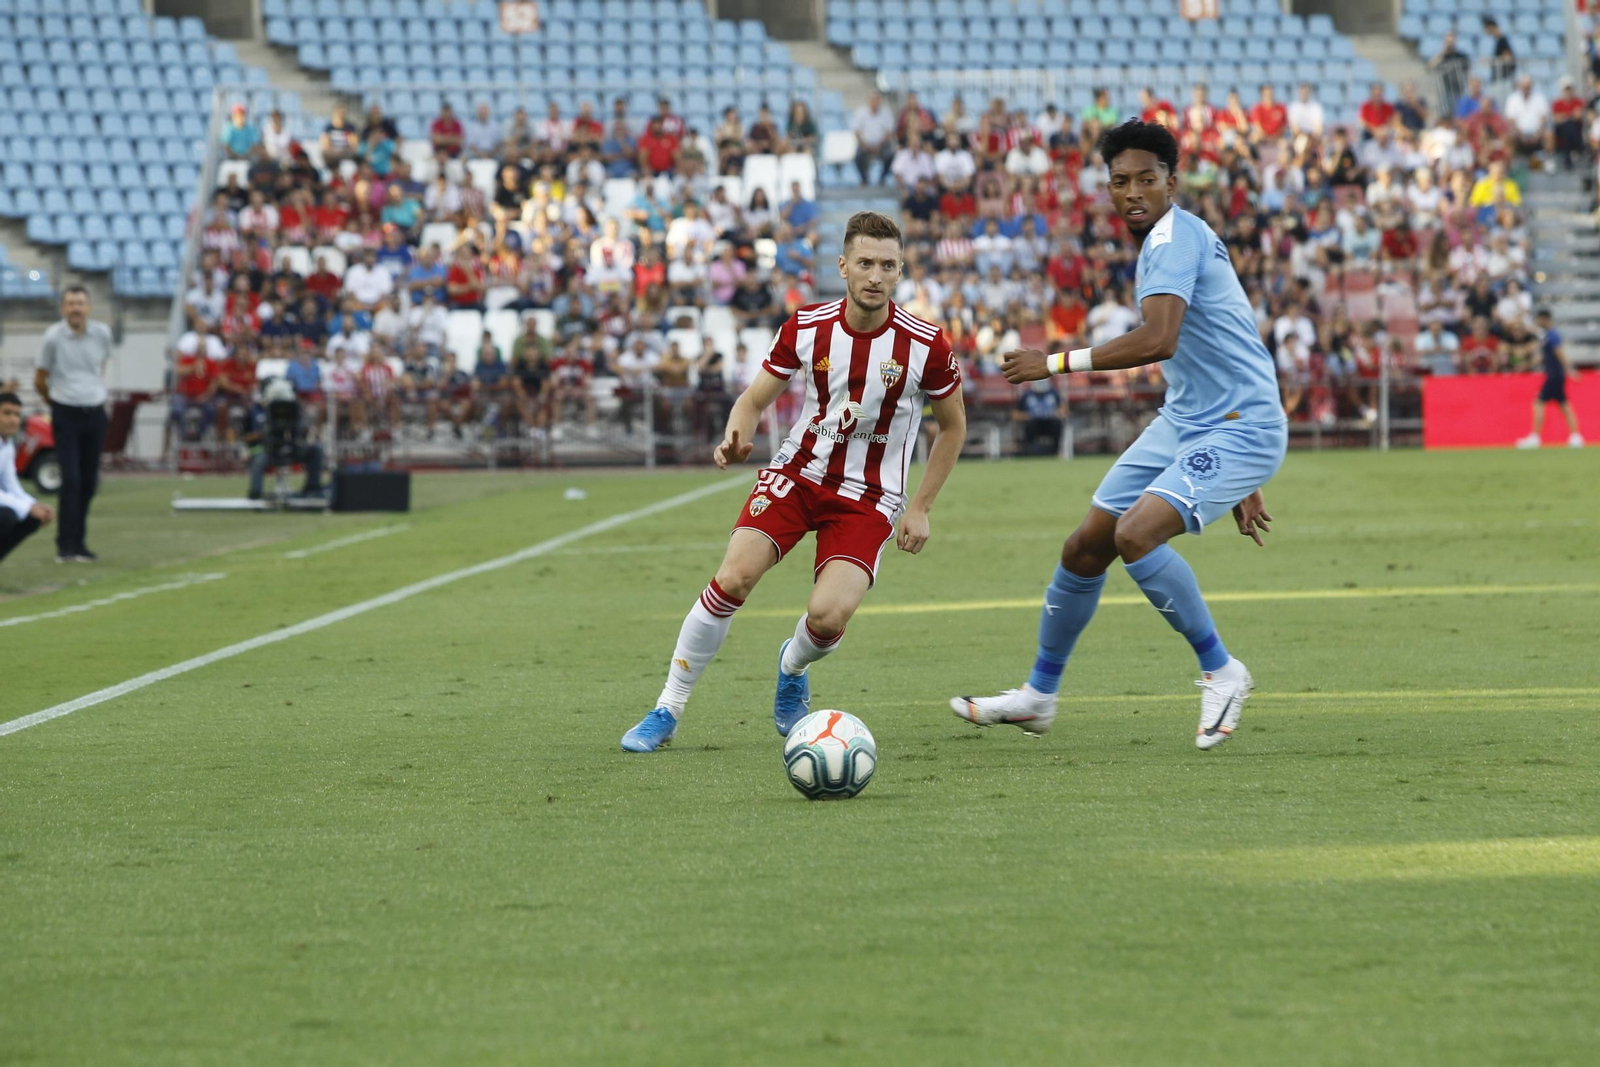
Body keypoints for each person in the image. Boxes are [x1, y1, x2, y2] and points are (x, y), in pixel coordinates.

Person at [954, 120, 1285, 750]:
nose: (1132, 191)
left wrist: (1053, 362)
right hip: (1192, 420)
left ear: (1172, 182)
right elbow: (1220, 338)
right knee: (1085, 548)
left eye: (1146, 179)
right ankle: (1038, 696)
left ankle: (1222, 670)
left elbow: (1159, 339)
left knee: (1135, 534)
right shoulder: (1165, 239)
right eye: (1120, 181)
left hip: (1241, 424)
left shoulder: (1174, 238)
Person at [620, 211, 968, 752]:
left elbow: (953, 428)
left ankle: (792, 664)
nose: (875, 275)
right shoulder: (807, 326)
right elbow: (754, 399)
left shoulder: (927, 345)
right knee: (733, 578)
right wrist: (738, 435)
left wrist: (920, 507)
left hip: (870, 497)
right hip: (797, 473)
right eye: (865, 264)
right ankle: (667, 707)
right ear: (843, 266)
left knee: (827, 617)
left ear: (900, 272)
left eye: (887, 266)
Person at [33, 287, 113, 564]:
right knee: (71, 479)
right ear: (63, 309)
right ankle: (64, 545)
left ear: (89, 307)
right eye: (70, 304)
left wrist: (90, 392)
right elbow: (40, 378)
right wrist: (56, 402)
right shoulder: (53, 338)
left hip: (95, 411)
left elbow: (100, 366)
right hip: (65, 412)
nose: (76, 309)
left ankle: (79, 542)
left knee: (89, 482)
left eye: (80, 303)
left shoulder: (102, 333)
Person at [244, 379, 326, 501]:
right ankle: (256, 493)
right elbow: (246, 436)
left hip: (292, 447)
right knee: (259, 460)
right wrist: (264, 433)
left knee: (316, 450)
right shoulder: (255, 410)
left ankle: (312, 488)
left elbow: (300, 432)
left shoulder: (295, 409)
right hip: (267, 449)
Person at [1516, 309, 1584, 448]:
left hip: (1554, 375)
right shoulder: (1547, 336)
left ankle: (1535, 437)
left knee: (1539, 402)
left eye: (1539, 319)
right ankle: (1576, 436)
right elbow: (1544, 357)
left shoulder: (1552, 335)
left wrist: (1570, 369)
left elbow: (1559, 353)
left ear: (1545, 319)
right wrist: (1527, 365)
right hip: (1556, 375)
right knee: (1564, 405)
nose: (1538, 322)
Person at [0, 391, 54, 564]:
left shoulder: (6, 444)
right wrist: (26, 507)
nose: (13, 419)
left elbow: (11, 486)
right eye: (7, 413)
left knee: (32, 519)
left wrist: (34, 505)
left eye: (17, 414)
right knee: (7, 516)